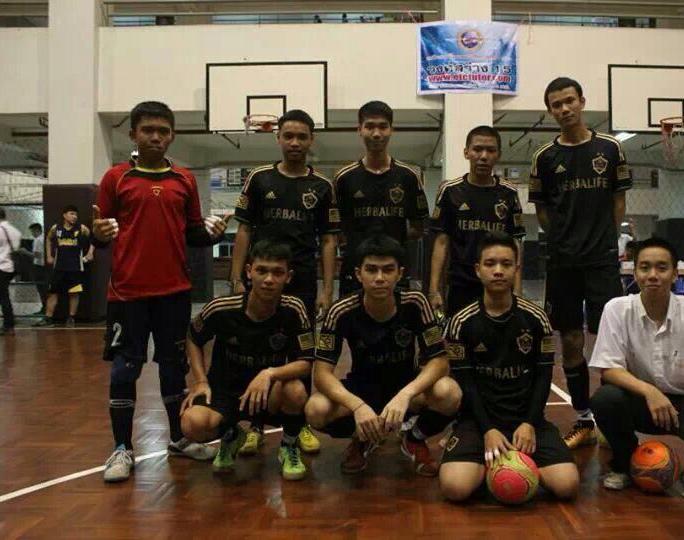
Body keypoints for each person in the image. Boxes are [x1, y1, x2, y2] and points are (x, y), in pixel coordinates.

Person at [92, 101, 230, 483]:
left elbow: (193, 233)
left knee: (173, 368)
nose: (156, 137)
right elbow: (100, 234)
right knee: (125, 370)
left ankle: (178, 439)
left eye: (163, 131)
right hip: (127, 294)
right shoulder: (115, 178)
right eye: (148, 130)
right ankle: (122, 447)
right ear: (133, 134)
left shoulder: (184, 180)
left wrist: (212, 235)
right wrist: (97, 235)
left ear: (172, 136)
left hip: (174, 293)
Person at [589, 237, 684, 490]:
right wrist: (649, 391)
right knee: (605, 399)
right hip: (642, 401)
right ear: (634, 272)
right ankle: (624, 461)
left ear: (675, 274)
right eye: (645, 267)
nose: (653, 275)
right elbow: (608, 368)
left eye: (661, 268)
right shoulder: (617, 309)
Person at [529, 77, 632, 449]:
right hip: (563, 264)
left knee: (610, 342)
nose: (564, 109)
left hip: (602, 262)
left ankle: (613, 419)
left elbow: (618, 201)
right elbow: (542, 209)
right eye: (556, 105)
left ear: (582, 101)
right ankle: (585, 418)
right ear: (550, 111)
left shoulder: (610, 148)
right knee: (571, 342)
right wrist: (563, 239)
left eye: (569, 101)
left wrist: (606, 241)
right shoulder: (544, 157)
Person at [228, 109, 338, 456]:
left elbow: (328, 240)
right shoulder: (259, 179)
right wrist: (236, 276)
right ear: (278, 138)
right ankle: (255, 425)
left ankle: (299, 422)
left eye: (301, 136)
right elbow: (244, 229)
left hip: (302, 281)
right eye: (288, 136)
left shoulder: (322, 186)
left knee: (301, 350)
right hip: (263, 279)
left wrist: (327, 289)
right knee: (258, 347)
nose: (294, 142)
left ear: (311, 140)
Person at [439, 231, 579, 502]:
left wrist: (529, 423)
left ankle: (509, 460)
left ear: (516, 269)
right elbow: (466, 383)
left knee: (568, 486)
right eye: (490, 264)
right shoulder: (461, 322)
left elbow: (543, 377)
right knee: (455, 488)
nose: (498, 271)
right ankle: (490, 461)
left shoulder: (536, 318)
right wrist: (487, 429)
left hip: (526, 418)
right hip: (478, 421)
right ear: (477, 270)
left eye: (506, 264)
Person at [305, 235, 462, 476]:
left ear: (400, 274)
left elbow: (440, 361)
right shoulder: (341, 311)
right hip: (362, 389)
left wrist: (406, 394)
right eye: (371, 270)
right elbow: (322, 375)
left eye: (388, 270)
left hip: (406, 388)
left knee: (449, 392)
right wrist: (357, 405)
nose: (380, 278)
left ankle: (414, 438)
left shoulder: (415, 303)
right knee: (315, 409)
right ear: (358, 274)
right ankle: (362, 438)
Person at [180, 241, 315, 478]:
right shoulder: (221, 308)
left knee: (295, 391)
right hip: (225, 391)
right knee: (192, 424)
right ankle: (231, 435)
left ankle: (288, 445)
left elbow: (305, 363)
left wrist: (269, 374)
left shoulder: (294, 309)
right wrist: (200, 381)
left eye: (278, 272)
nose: (269, 279)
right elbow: (193, 338)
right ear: (249, 271)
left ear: (289, 277)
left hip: (267, 393)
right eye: (262, 271)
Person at [334, 100, 429, 297]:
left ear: (391, 130)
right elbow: (335, 228)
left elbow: (418, 227)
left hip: (394, 270)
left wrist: (391, 240)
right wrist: (356, 244)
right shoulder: (344, 178)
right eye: (369, 126)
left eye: (383, 126)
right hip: (355, 269)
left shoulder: (408, 176)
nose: (376, 133)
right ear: (359, 130)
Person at [429, 125, 525, 318]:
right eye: (477, 149)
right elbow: (441, 242)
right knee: (459, 334)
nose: (483, 156)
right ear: (466, 153)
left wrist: (517, 288)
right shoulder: (450, 191)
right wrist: (433, 290)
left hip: (499, 283)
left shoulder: (509, 193)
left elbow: (515, 242)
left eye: (490, 150)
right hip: (460, 284)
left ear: (498, 155)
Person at [34, 205, 94, 327]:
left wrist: (90, 252)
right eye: (71, 214)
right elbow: (48, 239)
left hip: (75, 267)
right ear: (64, 215)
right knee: (53, 292)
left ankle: (71, 318)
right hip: (59, 266)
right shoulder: (56, 228)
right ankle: (48, 318)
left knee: (74, 293)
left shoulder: (81, 228)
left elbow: (94, 238)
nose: (74, 216)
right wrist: (49, 255)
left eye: (76, 214)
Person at [0, 207, 22, 337]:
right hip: (10, 267)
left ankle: (9, 324)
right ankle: (10, 321)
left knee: (3, 297)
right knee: (3, 296)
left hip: (0, 267)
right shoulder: (15, 231)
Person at [29, 223, 46, 313]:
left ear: (36, 230)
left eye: (32, 231)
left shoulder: (38, 240)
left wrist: (25, 252)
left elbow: (37, 255)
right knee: (44, 288)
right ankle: (45, 307)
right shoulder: (44, 238)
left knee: (40, 288)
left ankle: (44, 308)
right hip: (44, 267)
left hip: (39, 267)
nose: (32, 234)